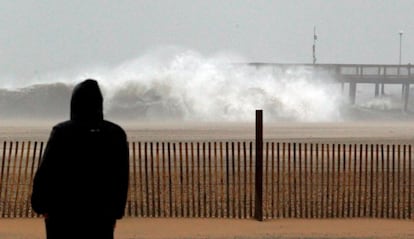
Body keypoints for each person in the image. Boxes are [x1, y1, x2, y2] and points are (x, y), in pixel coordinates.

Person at [31, 79, 129, 239]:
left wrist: (41, 205)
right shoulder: (116, 133)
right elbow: (120, 178)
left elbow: (47, 172)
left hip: (63, 214)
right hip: (101, 215)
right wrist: (116, 212)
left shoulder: (62, 132)